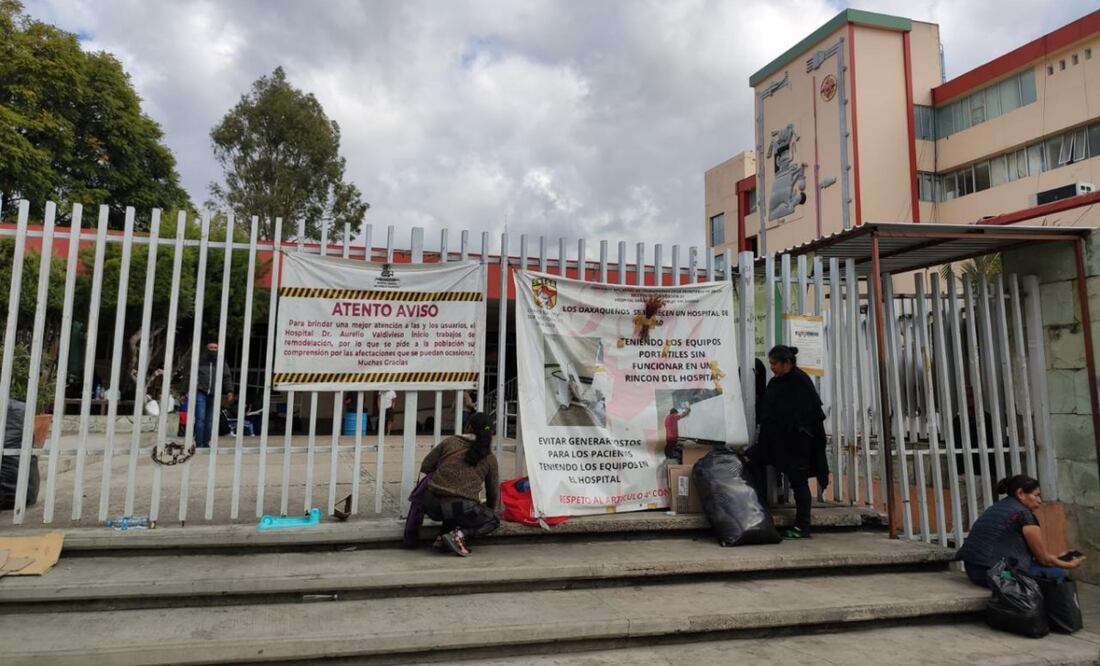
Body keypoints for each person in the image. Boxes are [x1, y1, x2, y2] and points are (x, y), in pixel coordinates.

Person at [746, 345, 829, 539]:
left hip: (798, 444)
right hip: (776, 442)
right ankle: (759, 510)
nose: (772, 367)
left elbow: (809, 416)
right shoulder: (776, 383)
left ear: (787, 363)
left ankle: (803, 526)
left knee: (799, 482)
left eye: (774, 363)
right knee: (751, 459)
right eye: (770, 363)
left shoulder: (800, 383)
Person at [956, 474, 1086, 587]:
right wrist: (1066, 564)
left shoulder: (996, 508)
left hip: (973, 570)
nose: (1040, 501)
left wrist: (1056, 558)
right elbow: (1043, 560)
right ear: (1020, 494)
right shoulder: (1025, 516)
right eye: (1036, 496)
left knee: (1040, 567)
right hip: (995, 574)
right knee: (1057, 574)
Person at [419, 412, 500, 556]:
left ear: (468, 426)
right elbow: (493, 493)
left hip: (430, 503)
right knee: (492, 520)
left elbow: (426, 466)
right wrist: (488, 511)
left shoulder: (450, 442)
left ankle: (442, 537)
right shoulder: (489, 458)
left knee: (456, 511)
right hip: (461, 507)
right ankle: (460, 535)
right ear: (491, 433)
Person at [182, 340, 234, 448]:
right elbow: (189, 376)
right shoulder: (200, 361)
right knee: (200, 418)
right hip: (200, 392)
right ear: (206, 349)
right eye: (211, 347)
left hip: (214, 393)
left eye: (215, 348)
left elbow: (226, 377)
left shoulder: (221, 362)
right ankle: (199, 443)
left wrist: (229, 391)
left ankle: (206, 442)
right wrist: (184, 391)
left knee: (210, 420)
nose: (213, 350)